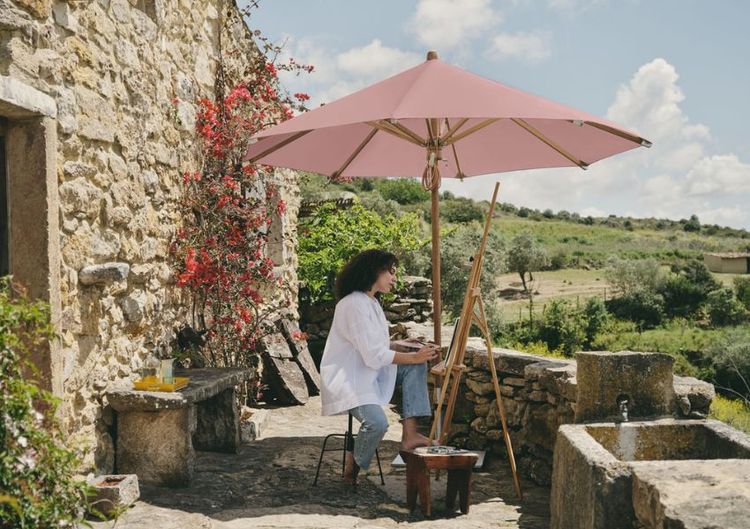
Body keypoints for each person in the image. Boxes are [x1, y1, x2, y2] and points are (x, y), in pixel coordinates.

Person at [319, 249, 440, 486]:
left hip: (368, 371)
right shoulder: (353, 304)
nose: (394, 278)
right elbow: (373, 355)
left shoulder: (371, 302)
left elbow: (370, 344)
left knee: (416, 364)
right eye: (391, 272)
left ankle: (410, 435)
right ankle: (353, 467)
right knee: (377, 423)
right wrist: (413, 357)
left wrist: (400, 345)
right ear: (375, 271)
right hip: (349, 379)